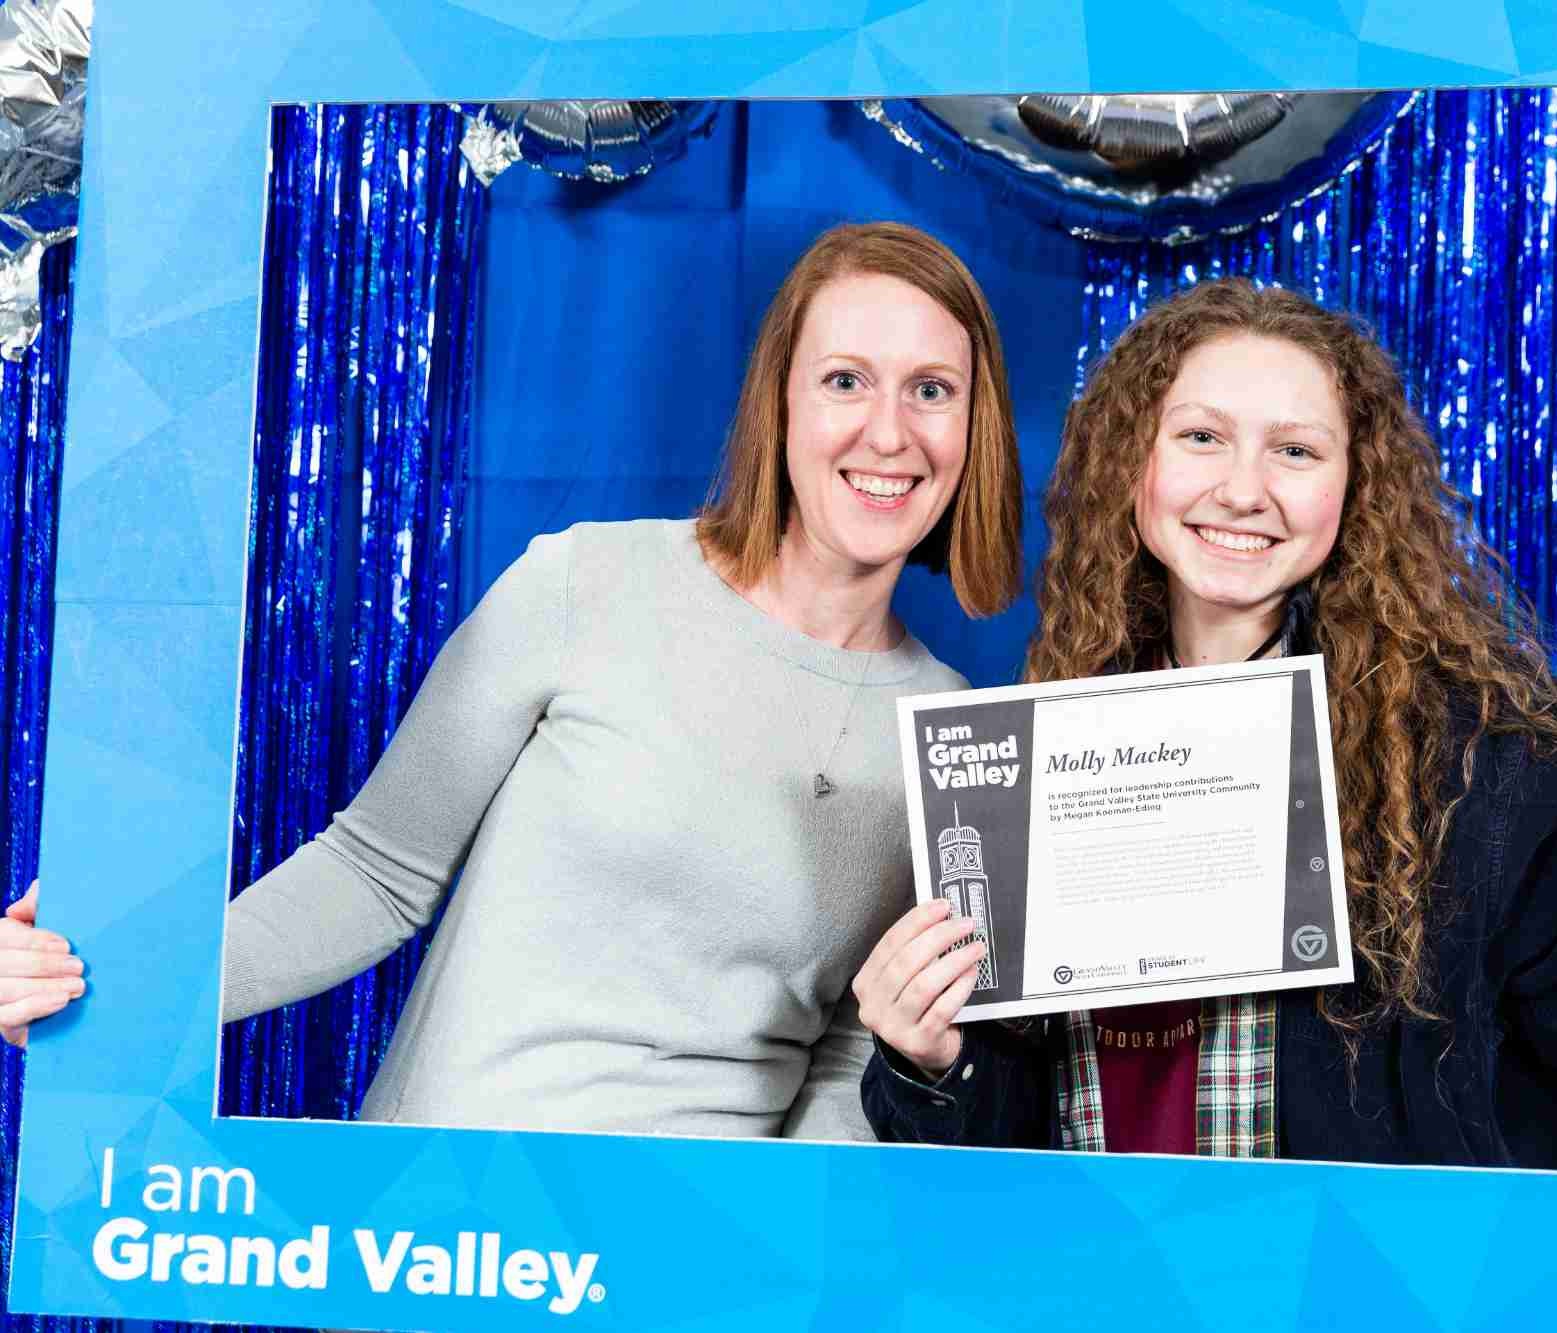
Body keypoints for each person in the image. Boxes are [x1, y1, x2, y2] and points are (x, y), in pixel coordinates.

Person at [852, 277, 1557, 1168]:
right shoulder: (1028, 773)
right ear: (1130, 469)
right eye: (1201, 436)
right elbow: (993, 1152)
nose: (1243, 488)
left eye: (1295, 451)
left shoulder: (1470, 763)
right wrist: (927, 1056)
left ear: (1350, 492)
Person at [2, 222, 1023, 1145]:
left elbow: (847, 1059)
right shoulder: (586, 583)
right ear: (780, 402)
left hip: (689, 1268)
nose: (888, 433)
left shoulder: (946, 740)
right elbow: (373, 873)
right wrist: (117, 972)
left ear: (973, 430)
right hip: (456, 1234)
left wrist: (758, 1267)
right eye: (845, 380)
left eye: (930, 390)